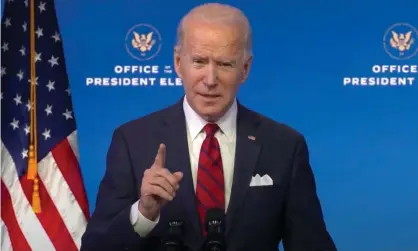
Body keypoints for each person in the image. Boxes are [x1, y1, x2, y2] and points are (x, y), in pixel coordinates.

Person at [80, 3, 337, 251]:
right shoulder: (133, 141)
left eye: (225, 64)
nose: (210, 80)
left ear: (245, 69)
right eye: (200, 62)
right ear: (178, 63)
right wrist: (143, 213)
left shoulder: (283, 146)